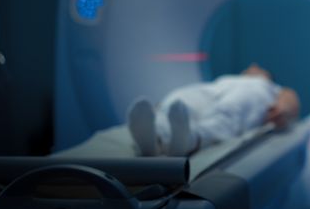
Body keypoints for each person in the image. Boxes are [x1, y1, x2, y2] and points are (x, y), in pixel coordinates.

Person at [128, 64, 300, 156]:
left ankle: (191, 139)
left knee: (227, 112)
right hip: (211, 91)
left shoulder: (268, 86)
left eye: (257, 67)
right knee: (179, 101)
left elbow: (290, 97)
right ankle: (153, 142)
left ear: (266, 74)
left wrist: (285, 106)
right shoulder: (228, 79)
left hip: (251, 94)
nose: (251, 66)